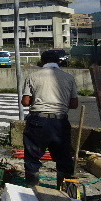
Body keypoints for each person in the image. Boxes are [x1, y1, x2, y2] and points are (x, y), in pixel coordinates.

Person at [21, 50, 78, 189]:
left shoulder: (33, 76)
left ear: (42, 62)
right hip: (60, 122)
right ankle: (64, 190)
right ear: (59, 62)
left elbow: (26, 101)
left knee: (32, 156)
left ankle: (32, 189)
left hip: (38, 121)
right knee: (64, 157)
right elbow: (74, 104)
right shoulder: (68, 78)